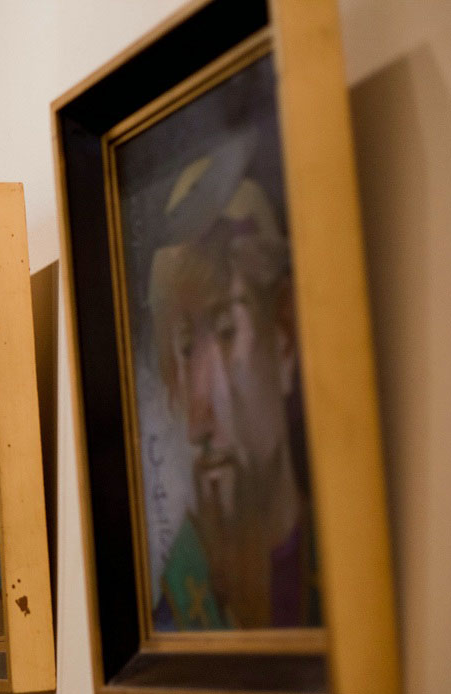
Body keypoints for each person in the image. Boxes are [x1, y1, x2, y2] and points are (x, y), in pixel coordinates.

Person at [147, 134, 319, 631]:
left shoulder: (345, 554)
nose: (197, 422)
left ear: (283, 337)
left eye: (225, 333)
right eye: (184, 350)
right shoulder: (174, 617)